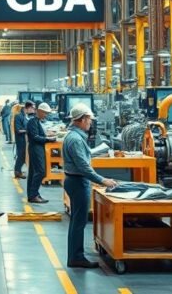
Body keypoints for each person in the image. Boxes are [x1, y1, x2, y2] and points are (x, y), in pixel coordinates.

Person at [62, 104, 118, 268]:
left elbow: (82, 158)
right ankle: (76, 257)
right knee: (79, 222)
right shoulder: (76, 139)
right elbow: (83, 167)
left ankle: (75, 255)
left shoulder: (74, 136)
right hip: (78, 182)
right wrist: (103, 180)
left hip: (75, 181)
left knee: (76, 221)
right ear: (82, 119)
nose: (90, 123)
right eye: (88, 120)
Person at [26, 102, 57, 204]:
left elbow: (38, 134)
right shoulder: (32, 122)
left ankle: (33, 194)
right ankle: (33, 195)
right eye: (45, 113)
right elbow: (35, 137)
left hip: (37, 148)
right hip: (35, 149)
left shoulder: (37, 121)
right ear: (39, 111)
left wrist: (46, 135)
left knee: (33, 172)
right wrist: (48, 139)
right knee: (40, 172)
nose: (46, 115)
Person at [13, 101, 33, 179]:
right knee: (21, 156)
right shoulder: (18, 116)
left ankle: (18, 171)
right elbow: (18, 130)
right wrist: (28, 130)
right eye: (31, 108)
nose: (32, 110)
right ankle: (17, 172)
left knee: (23, 156)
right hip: (20, 139)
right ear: (26, 108)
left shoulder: (24, 116)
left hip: (24, 139)